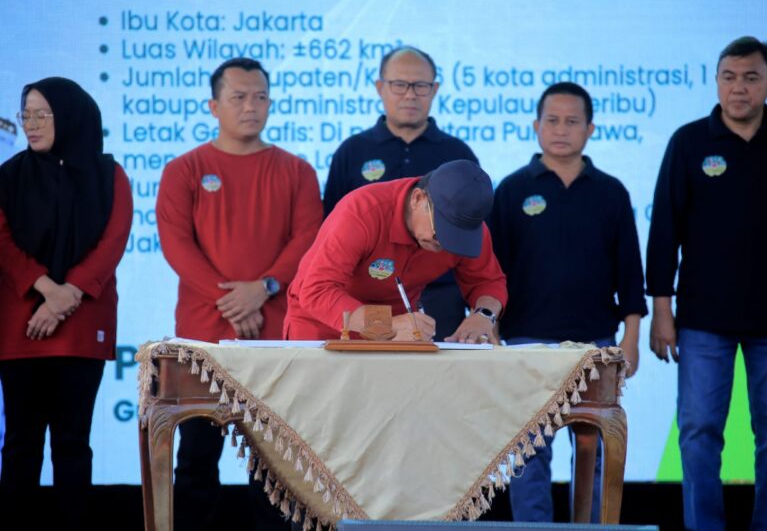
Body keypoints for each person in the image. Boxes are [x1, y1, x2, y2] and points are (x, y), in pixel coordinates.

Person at [156, 58, 323, 530]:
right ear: (214, 106)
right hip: (204, 335)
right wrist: (234, 301)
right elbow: (176, 244)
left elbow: (308, 239)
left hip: (276, 337)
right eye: (239, 97)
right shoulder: (184, 169)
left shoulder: (297, 171)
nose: (251, 107)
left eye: (260, 97)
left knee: (274, 463)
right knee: (196, 458)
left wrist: (264, 288)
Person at [646, 36, 767, 531]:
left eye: (751, 78)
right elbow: (664, 229)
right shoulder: (689, 142)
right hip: (702, 319)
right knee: (697, 433)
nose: (739, 88)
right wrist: (662, 310)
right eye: (729, 77)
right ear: (716, 82)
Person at [489, 82, 647, 523]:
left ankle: (592, 528)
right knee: (529, 453)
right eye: (552, 120)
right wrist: (493, 334)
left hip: (595, 343)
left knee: (593, 451)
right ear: (536, 126)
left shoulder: (610, 192)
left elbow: (629, 273)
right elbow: (492, 272)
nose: (561, 129)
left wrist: (630, 339)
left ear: (590, 129)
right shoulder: (512, 190)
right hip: (526, 342)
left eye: (572, 121)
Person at [0, 78, 133, 530]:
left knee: (73, 443)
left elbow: (113, 241)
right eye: (26, 114)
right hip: (20, 324)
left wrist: (66, 296)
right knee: (20, 443)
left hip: (81, 323)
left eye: (43, 114)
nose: (31, 124)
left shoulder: (109, 175)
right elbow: (2, 243)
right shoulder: (8, 176)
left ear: (72, 117)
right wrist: (46, 289)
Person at [323, 46, 479, 341]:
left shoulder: (457, 155)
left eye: (420, 85)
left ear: (434, 90)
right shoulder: (353, 151)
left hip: (441, 300)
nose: (410, 94)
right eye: (399, 84)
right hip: (364, 303)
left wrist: (483, 315)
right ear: (379, 87)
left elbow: (476, 240)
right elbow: (328, 234)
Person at [285, 159, 506, 344]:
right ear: (418, 199)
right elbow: (317, 291)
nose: (446, 243)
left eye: (456, 236)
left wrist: (483, 316)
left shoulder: (467, 229)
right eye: (441, 230)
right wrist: (386, 324)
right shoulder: (361, 212)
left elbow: (487, 281)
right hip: (325, 326)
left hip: (400, 331)